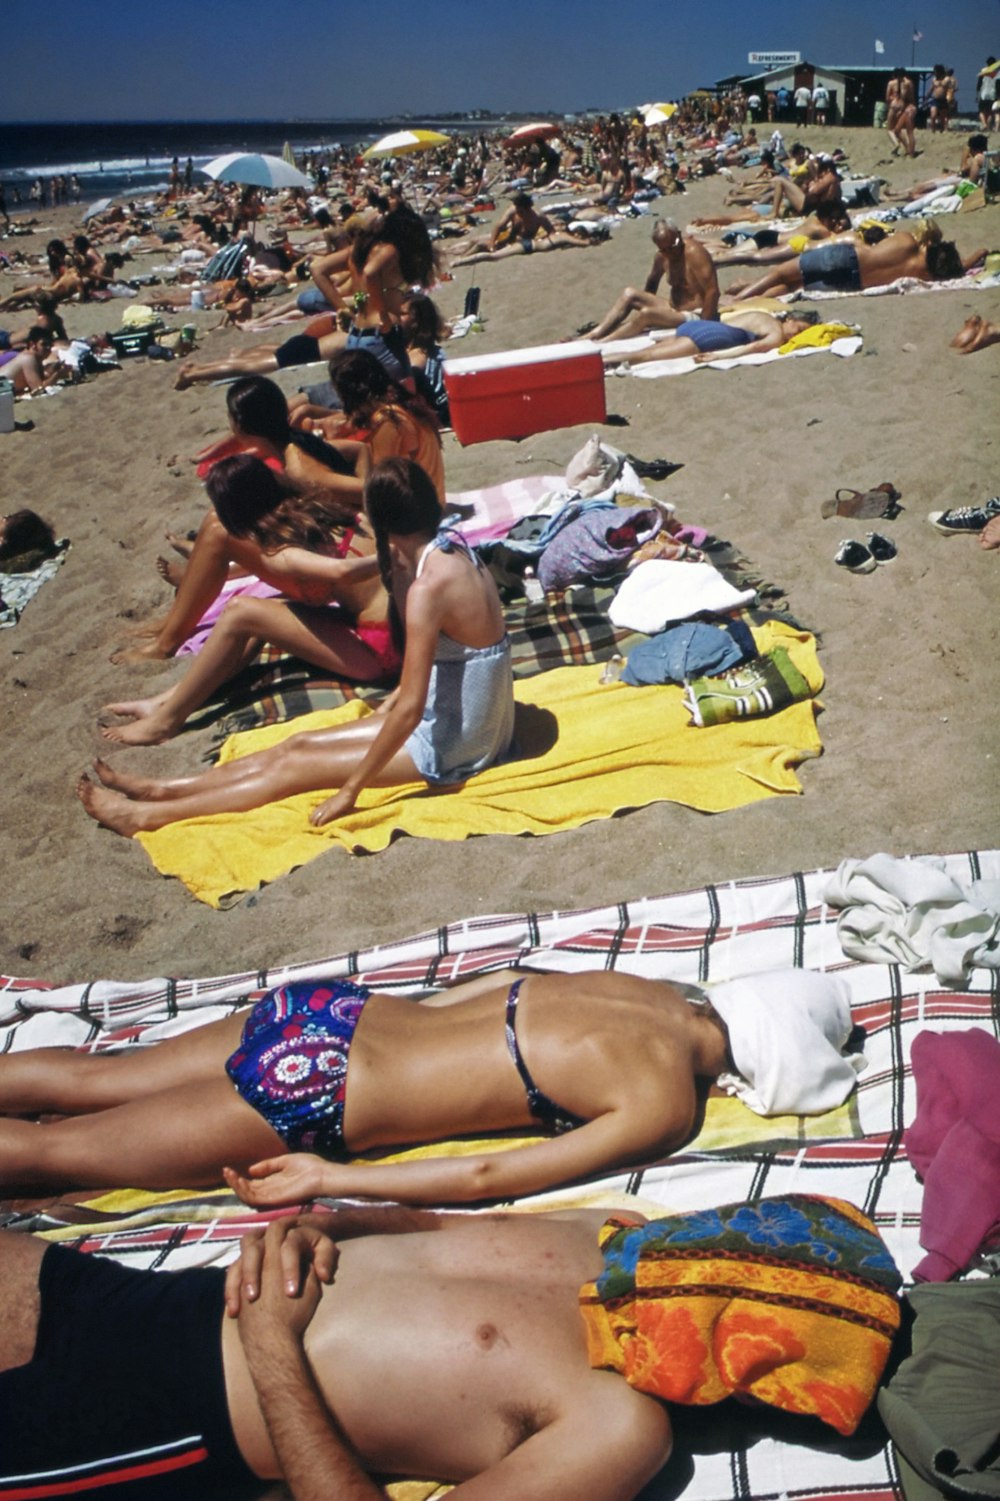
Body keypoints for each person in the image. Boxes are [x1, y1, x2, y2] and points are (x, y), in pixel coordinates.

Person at [0, 1187, 901, 1501]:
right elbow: (438, 1224)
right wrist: (338, 1220)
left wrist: (275, 1344)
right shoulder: (610, 1233)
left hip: (153, 1419)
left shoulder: (616, 1421)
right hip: (138, 1296)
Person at [0, 953, 859, 1196]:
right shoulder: (667, 1099)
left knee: (88, 1081)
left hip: (330, 1013)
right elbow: (491, 1173)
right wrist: (333, 1176)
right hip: (326, 1093)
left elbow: (489, 982)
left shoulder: (638, 983)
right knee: (54, 1158)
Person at [79, 457, 514, 836]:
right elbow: (451, 661)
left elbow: (410, 708)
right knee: (298, 745)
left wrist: (350, 790)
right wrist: (395, 702)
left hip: (459, 742)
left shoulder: (426, 589)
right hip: (468, 718)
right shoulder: (455, 549)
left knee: (293, 770)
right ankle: (165, 789)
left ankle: (146, 818)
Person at [98, 455, 394, 746]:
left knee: (242, 612)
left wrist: (384, 558)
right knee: (270, 612)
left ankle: (165, 723)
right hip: (391, 634)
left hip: (380, 652)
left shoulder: (284, 552)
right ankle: (163, 702)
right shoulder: (323, 513)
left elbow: (335, 572)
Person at [580, 219, 720, 342]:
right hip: (674, 309)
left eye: (673, 245)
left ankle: (604, 342)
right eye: (664, 249)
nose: (670, 252)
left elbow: (712, 290)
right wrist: (643, 308)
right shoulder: (662, 257)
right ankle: (593, 335)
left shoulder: (694, 252)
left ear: (678, 234)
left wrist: (704, 325)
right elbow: (652, 282)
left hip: (696, 313)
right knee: (629, 294)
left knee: (648, 314)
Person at [730, 228, 968, 300]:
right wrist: (976, 256)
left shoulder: (906, 240)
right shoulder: (926, 276)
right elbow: (960, 270)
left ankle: (737, 299)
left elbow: (872, 249)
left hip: (848, 258)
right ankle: (747, 293)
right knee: (793, 285)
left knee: (780, 273)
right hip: (853, 282)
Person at [607, 309, 818, 368]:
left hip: (699, 326)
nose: (795, 335)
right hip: (712, 337)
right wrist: (717, 356)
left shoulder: (763, 314)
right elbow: (751, 349)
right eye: (798, 329)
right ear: (789, 319)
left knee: (644, 353)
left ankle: (602, 358)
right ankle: (600, 362)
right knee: (644, 357)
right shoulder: (776, 333)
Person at [450, 192, 596, 266]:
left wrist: (545, 239)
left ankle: (462, 258)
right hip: (508, 236)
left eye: (519, 208)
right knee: (476, 241)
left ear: (526, 207)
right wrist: (493, 243)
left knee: (479, 245)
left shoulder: (538, 217)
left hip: (520, 241)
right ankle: (452, 252)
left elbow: (550, 231)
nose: (516, 209)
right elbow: (498, 226)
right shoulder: (513, 211)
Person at [0, 325, 52, 392]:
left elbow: (41, 381)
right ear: (32, 344)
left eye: (50, 345)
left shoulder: (35, 358)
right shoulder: (28, 358)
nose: (48, 348)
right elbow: (38, 389)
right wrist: (57, 375)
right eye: (44, 344)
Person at [978, 58, 997, 129]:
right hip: (993, 94)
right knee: (990, 112)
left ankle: (984, 124)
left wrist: (977, 92)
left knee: (981, 111)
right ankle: (988, 125)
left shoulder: (983, 70)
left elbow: (979, 82)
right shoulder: (997, 72)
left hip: (983, 93)